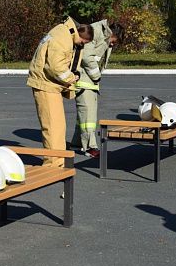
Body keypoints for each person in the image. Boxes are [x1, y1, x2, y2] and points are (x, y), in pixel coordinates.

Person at [27, 17, 94, 167]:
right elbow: (55, 67)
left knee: (57, 126)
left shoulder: (64, 32)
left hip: (49, 84)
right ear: (81, 36)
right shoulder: (62, 38)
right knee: (52, 126)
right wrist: (72, 78)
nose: (82, 45)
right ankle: (53, 163)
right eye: (83, 43)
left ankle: (57, 160)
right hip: (45, 85)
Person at [71, 19, 125, 158]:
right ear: (112, 33)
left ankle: (77, 142)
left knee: (83, 115)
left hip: (88, 81)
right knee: (89, 116)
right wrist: (96, 76)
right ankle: (90, 147)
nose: (113, 44)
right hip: (85, 80)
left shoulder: (104, 35)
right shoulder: (96, 32)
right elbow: (87, 57)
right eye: (114, 41)